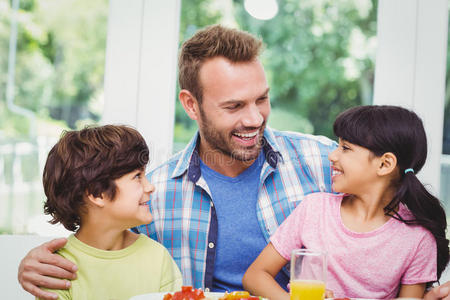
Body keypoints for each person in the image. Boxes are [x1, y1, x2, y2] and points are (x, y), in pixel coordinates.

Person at [17, 25, 450, 300]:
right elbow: (98, 238)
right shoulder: (154, 191)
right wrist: (38, 262)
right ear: (192, 104)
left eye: (262, 99)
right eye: (234, 105)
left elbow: (404, 226)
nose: (255, 118)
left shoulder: (326, 162)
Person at [243, 105, 450, 299]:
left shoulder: (418, 239)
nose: (332, 155)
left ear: (385, 164)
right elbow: (255, 276)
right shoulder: (314, 210)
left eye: (346, 148)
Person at [36, 125, 182, 300]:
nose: (150, 187)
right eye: (137, 176)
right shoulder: (56, 268)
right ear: (97, 193)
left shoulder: (158, 258)